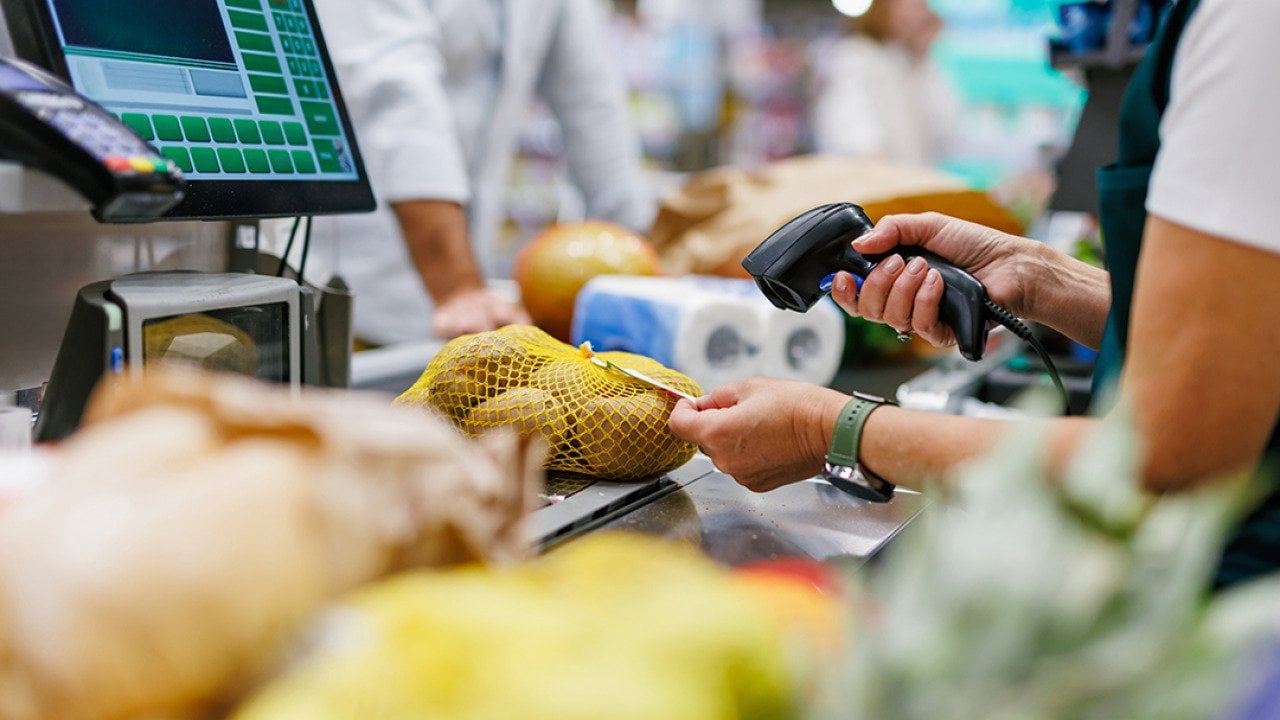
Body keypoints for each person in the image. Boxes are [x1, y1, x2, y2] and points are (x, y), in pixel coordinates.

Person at [669, 0, 1280, 588]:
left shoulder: (1249, 26)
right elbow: (1241, 336)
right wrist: (1043, 278)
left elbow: (1166, 462)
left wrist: (829, 429)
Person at [308, 0, 654, 344]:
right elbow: (399, 97)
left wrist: (643, 270)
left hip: (471, 296)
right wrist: (458, 288)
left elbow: (591, 104)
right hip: (364, 296)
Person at [810, 0, 959, 167]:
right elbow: (849, 124)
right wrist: (876, 161)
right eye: (910, 6)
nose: (919, 14)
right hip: (877, 182)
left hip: (910, 181)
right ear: (883, 8)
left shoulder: (913, 64)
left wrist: (923, 57)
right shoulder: (857, 55)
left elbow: (945, 129)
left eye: (921, 6)